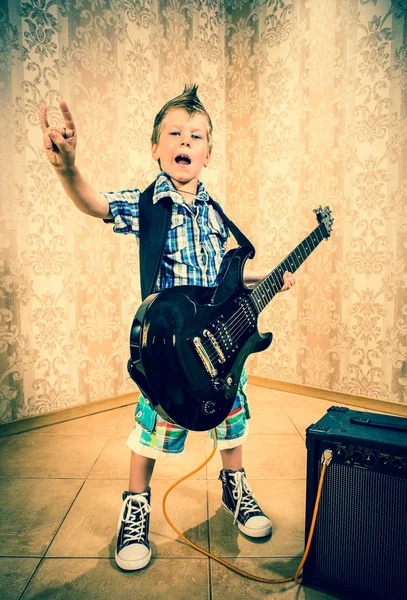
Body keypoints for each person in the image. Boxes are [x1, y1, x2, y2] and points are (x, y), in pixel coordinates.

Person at [40, 85, 295, 572]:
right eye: (174, 133)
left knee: (229, 411)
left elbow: (227, 277)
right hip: (170, 347)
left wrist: (268, 278)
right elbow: (95, 203)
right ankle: (135, 506)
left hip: (216, 339)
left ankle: (235, 489)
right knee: (153, 425)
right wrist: (68, 169)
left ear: (207, 153)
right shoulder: (148, 205)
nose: (185, 140)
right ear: (156, 148)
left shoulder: (216, 214)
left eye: (195, 135)